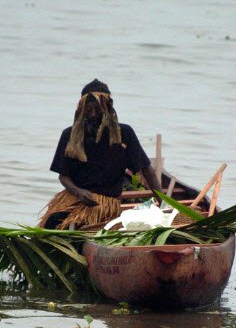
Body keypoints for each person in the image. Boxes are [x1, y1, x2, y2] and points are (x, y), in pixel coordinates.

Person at [39, 79, 163, 229]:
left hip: (104, 203)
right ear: (81, 109)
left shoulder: (124, 133)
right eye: (88, 110)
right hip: (74, 197)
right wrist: (79, 192)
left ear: (108, 108)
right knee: (52, 222)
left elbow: (146, 169)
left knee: (82, 228)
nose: (92, 114)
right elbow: (63, 176)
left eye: (97, 110)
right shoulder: (69, 135)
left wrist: (163, 202)